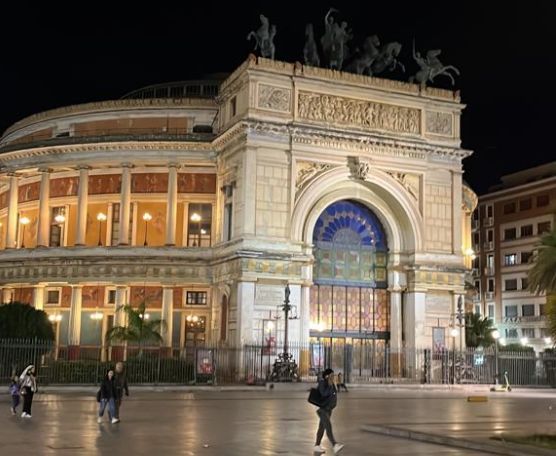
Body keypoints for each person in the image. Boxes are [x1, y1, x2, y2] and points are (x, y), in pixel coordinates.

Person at [314, 368, 344, 454]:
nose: (333, 377)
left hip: (328, 409)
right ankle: (335, 445)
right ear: (327, 376)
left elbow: (334, 394)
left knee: (322, 427)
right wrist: (330, 385)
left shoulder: (331, 383)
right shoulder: (322, 383)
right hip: (322, 409)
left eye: (333, 375)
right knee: (328, 426)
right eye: (331, 375)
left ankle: (317, 445)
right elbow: (324, 393)